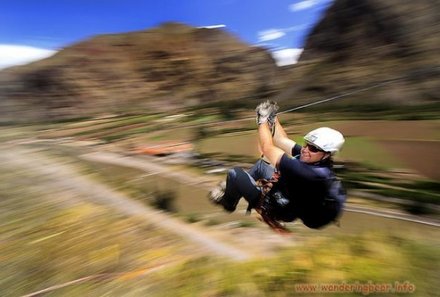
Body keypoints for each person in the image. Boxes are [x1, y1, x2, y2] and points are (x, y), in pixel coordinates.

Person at [209, 100, 346, 233]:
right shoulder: (313, 158)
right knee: (262, 165)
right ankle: (237, 188)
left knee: (234, 174)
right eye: (306, 144)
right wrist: (273, 117)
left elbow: (267, 148)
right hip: (288, 195)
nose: (305, 150)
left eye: (313, 149)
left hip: (280, 207)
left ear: (327, 154)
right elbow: (281, 140)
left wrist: (263, 121)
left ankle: (229, 204)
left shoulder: (312, 174)